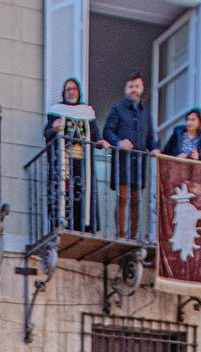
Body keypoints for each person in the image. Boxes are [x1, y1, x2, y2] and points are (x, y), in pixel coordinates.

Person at [99, 74, 152, 238]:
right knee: (122, 198)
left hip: (138, 163)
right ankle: (121, 234)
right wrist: (119, 142)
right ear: (126, 90)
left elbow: (150, 137)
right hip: (122, 161)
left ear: (142, 89)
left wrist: (156, 148)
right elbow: (107, 131)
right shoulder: (118, 109)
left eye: (137, 86)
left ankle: (134, 235)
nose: (134, 90)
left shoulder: (145, 113)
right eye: (131, 86)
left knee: (136, 200)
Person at [43, 77, 96, 231]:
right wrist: (53, 128)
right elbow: (46, 133)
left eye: (73, 89)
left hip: (81, 160)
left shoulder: (87, 112)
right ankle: (63, 222)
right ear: (64, 92)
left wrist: (101, 142)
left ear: (78, 91)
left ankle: (81, 225)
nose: (71, 92)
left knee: (80, 191)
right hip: (64, 158)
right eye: (68, 89)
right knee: (65, 191)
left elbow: (95, 134)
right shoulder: (57, 110)